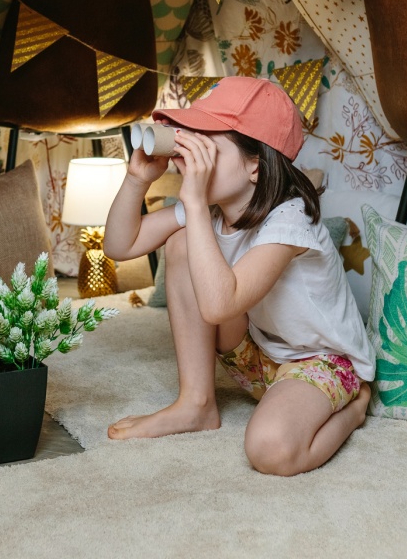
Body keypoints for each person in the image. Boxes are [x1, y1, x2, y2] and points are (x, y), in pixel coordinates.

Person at [102, 77, 375, 476]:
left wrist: (193, 202)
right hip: (259, 357)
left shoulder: (290, 219)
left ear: (254, 165)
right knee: (181, 243)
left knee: (270, 450)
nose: (192, 154)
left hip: (321, 362)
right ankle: (196, 403)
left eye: (207, 143)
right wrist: (137, 180)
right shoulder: (211, 209)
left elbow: (218, 305)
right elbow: (120, 245)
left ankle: (355, 406)